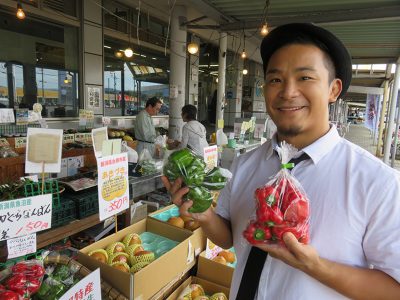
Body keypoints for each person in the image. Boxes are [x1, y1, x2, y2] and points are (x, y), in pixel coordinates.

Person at [162, 23, 400, 299]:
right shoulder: (244, 165)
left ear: (334, 89)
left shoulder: (378, 182)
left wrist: (316, 267)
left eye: (305, 78)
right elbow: (227, 238)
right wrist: (203, 214)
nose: (287, 92)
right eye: (275, 79)